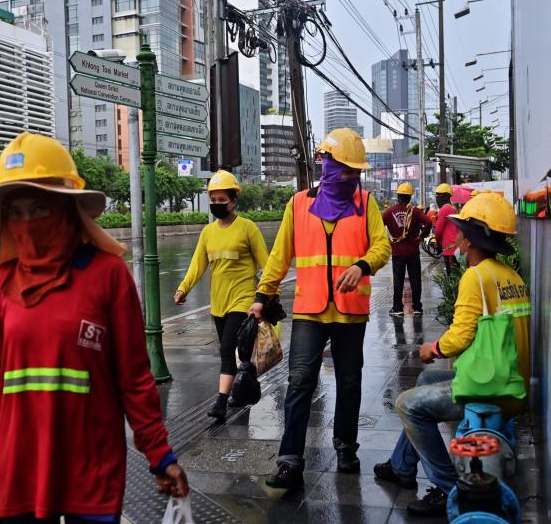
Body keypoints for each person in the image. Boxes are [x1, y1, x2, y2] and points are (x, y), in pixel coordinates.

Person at [0, 133, 188, 523]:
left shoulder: (108, 275)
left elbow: (134, 380)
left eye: (39, 208)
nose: (26, 224)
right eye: (16, 213)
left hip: (92, 467)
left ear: (68, 209)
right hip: (21, 467)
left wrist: (160, 455)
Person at [249, 128, 391, 489]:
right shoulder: (298, 204)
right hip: (310, 311)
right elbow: (279, 257)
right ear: (326, 164)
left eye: (356, 172)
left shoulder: (366, 202)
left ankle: (345, 447)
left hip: (349, 311)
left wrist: (362, 265)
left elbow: (382, 247)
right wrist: (262, 297)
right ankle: (289, 461)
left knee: (349, 381)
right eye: (345, 169)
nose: (351, 177)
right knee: (299, 382)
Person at [373, 192, 531, 517]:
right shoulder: (510, 276)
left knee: (408, 405)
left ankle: (447, 487)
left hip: (491, 387)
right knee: (426, 378)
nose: (455, 236)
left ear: (471, 239)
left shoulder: (476, 276)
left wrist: (432, 348)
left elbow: (460, 336)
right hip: (513, 380)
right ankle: (402, 466)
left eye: (460, 230)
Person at [174, 170, 269, 420]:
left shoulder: (247, 228)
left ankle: (220, 401)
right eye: (213, 201)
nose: (217, 205)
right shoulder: (208, 233)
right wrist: (183, 288)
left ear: (234, 201)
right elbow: (197, 264)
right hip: (218, 303)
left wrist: (265, 297)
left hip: (243, 300)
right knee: (237, 352)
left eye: (221, 200)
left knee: (227, 348)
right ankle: (241, 388)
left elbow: (266, 265)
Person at [383, 182, 432, 317]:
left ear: (398, 196)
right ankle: (417, 308)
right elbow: (428, 222)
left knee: (398, 280)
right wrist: (422, 236)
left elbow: (378, 223)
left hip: (397, 251)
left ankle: (397, 308)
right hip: (413, 251)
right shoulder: (414, 212)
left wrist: (386, 239)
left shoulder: (390, 211)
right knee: (415, 280)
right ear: (410, 197)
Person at [434, 183, 459, 274]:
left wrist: (437, 243)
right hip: (455, 245)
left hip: (449, 248)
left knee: (451, 275)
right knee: (456, 273)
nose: (436, 199)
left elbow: (438, 231)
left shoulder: (444, 209)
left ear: (445, 197)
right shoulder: (453, 208)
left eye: (438, 196)